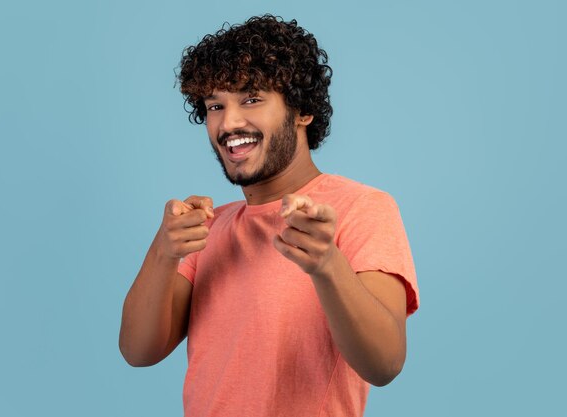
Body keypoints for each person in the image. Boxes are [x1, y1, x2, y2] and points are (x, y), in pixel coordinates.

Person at [119, 14, 419, 417]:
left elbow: (384, 364)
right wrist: (163, 250)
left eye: (251, 98)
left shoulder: (361, 208)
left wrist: (327, 264)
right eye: (215, 105)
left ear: (302, 111)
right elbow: (138, 352)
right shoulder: (205, 227)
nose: (229, 123)